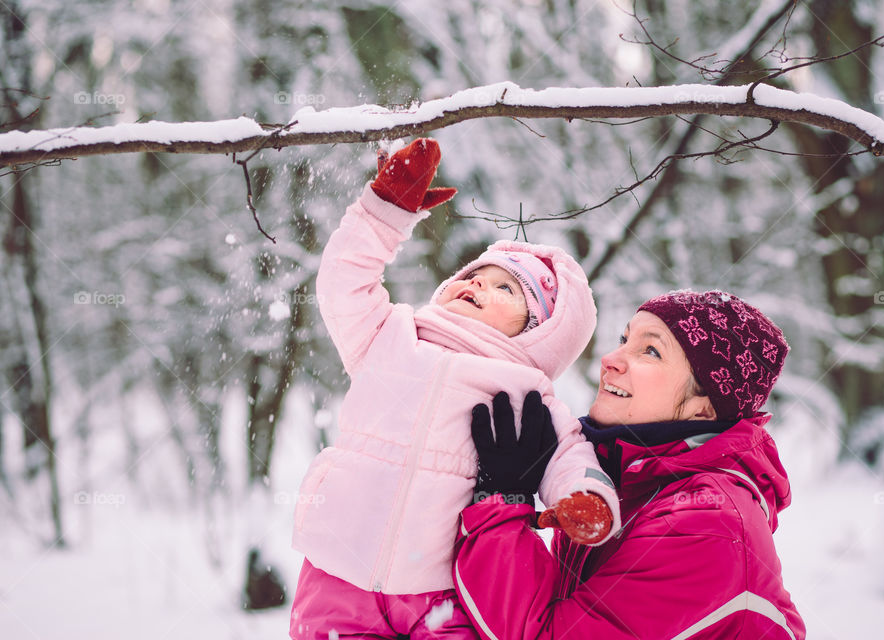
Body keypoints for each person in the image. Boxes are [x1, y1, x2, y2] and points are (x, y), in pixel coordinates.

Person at [289, 138, 621, 639]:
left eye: (505, 288)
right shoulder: (389, 335)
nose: (480, 286)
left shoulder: (526, 391)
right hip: (341, 566)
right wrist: (384, 213)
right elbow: (342, 283)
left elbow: (567, 455)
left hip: (444, 587)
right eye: (476, 275)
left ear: (539, 329)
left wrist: (587, 498)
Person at [454, 290, 806, 640]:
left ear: (705, 407)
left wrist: (502, 502)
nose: (610, 358)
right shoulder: (625, 484)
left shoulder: (706, 523)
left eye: (650, 351)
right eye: (624, 339)